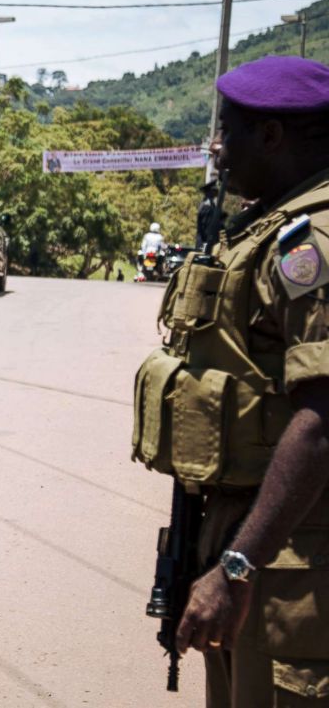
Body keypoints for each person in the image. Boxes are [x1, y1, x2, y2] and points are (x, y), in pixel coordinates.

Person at [132, 55, 329, 707]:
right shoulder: (264, 225)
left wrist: (238, 565)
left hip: (290, 556)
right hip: (255, 544)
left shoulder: (309, 245)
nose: (215, 148)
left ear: (272, 136)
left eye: (227, 130)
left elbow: (323, 417)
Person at [195, 179, 218, 250]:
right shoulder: (207, 206)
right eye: (214, 190)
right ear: (209, 192)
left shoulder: (211, 204)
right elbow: (206, 227)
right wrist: (209, 240)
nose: (217, 192)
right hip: (205, 242)